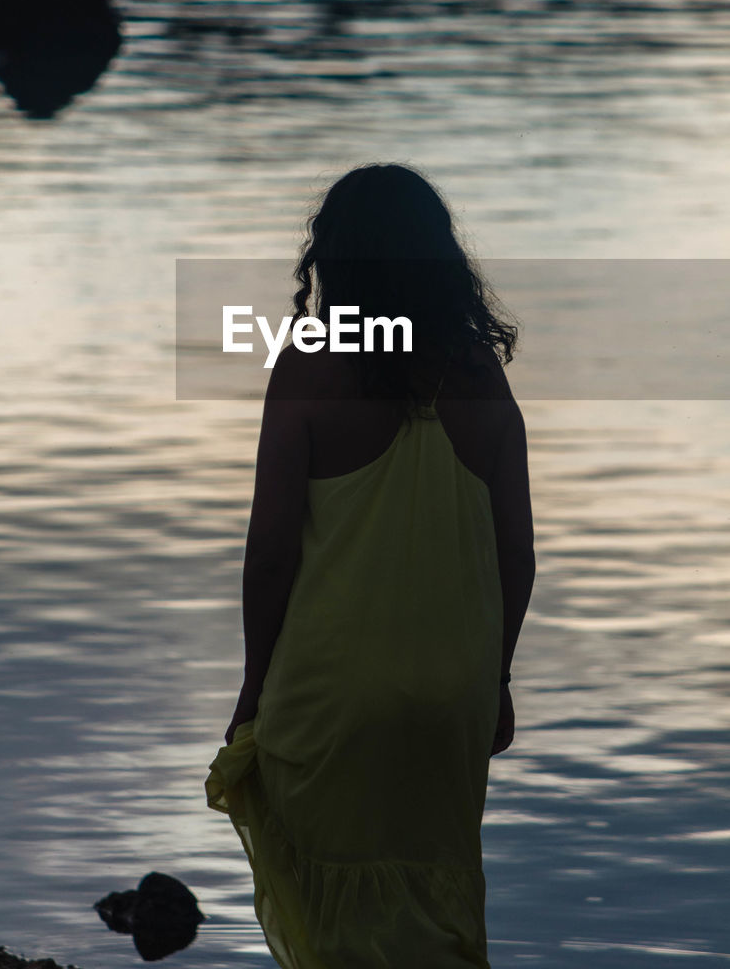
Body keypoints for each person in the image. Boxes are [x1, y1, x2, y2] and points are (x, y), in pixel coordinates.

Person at [206, 163, 535, 969]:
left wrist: (255, 682)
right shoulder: (479, 376)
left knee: (332, 913)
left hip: (334, 685)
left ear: (334, 261)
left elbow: (273, 549)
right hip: (452, 686)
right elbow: (516, 556)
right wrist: (492, 676)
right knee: (436, 901)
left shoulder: (310, 363)